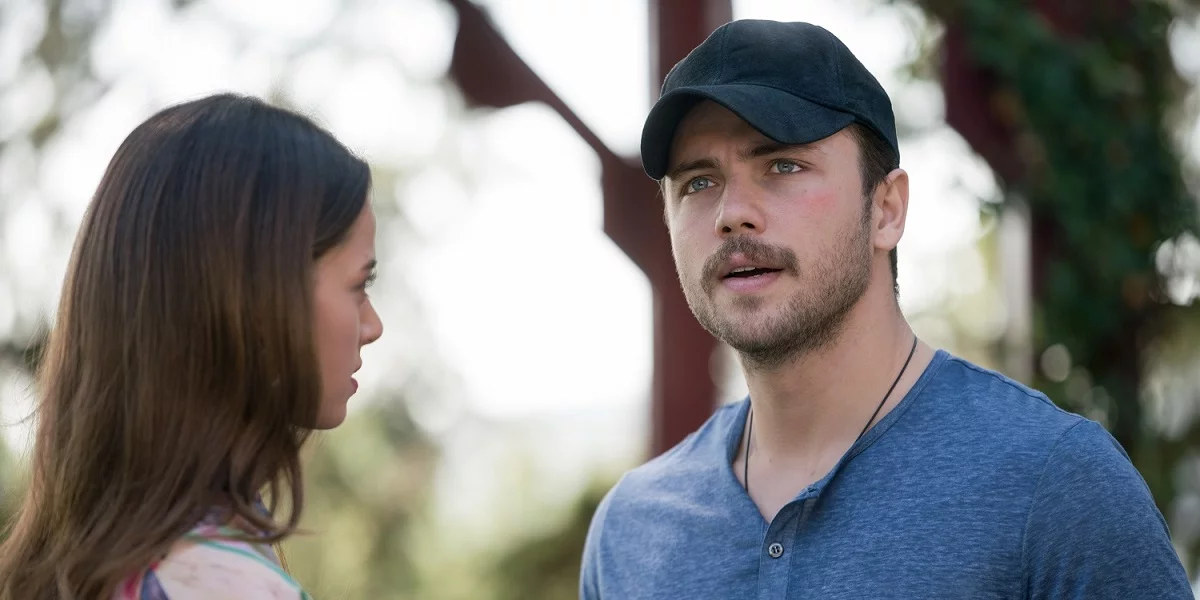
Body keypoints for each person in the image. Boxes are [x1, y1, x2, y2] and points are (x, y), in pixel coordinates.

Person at [579, 19, 1192, 599]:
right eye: (697, 182)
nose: (731, 213)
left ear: (887, 209)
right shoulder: (631, 533)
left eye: (783, 165)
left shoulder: (1052, 486)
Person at [0, 93, 384, 599]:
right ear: (258, 298)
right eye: (359, 286)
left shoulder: (96, 563)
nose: (372, 326)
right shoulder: (220, 583)